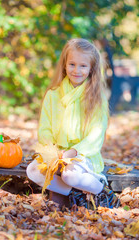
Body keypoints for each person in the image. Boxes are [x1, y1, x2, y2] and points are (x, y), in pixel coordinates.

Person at [26, 38, 120, 209]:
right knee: (32, 170)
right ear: (64, 65)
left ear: (91, 69)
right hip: (57, 153)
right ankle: (75, 193)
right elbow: (44, 128)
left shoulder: (96, 99)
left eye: (83, 66)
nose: (77, 70)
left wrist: (73, 152)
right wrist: (52, 149)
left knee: (70, 176)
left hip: (82, 155)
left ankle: (101, 190)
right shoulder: (53, 95)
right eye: (72, 64)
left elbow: (95, 136)